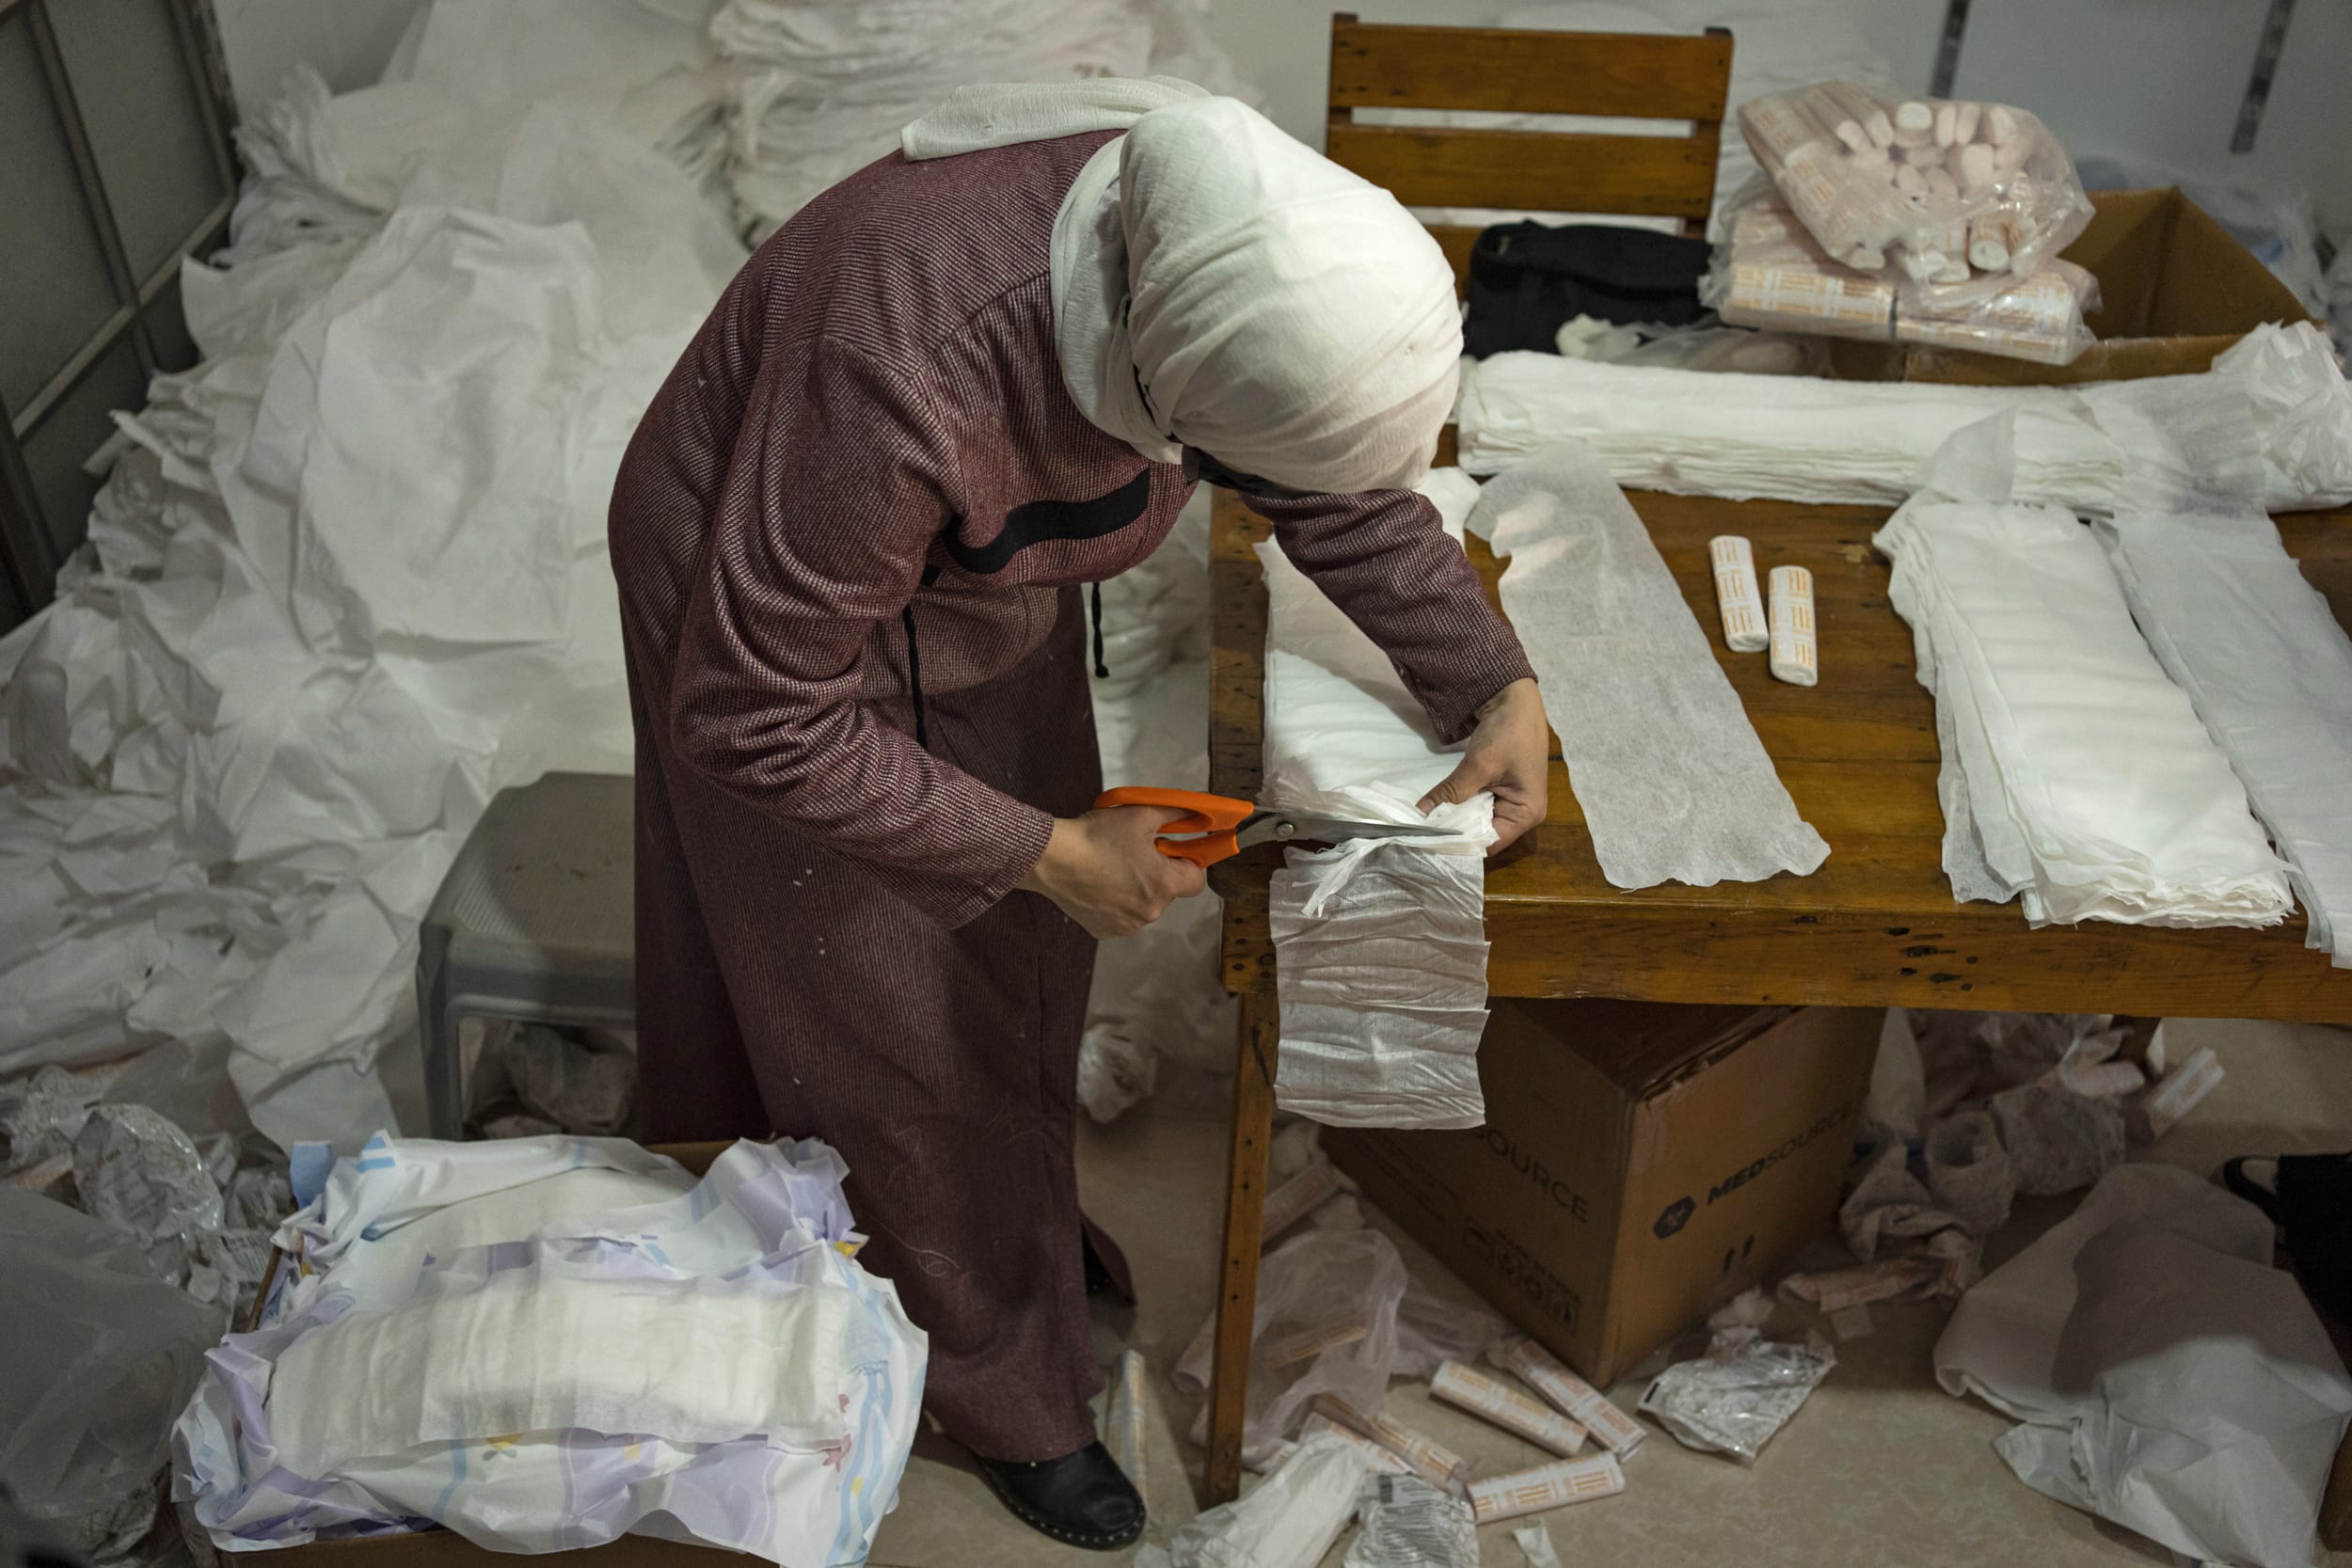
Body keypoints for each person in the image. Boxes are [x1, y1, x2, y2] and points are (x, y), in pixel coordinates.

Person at [606, 77, 1546, 1549]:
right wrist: (1042, 847)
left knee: (1032, 960)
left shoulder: (1240, 245)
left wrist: (1491, 683)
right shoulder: (899, 360)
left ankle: (1011, 1248)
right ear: (1154, 376)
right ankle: (1001, 1392)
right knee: (889, 1010)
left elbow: (1334, 481)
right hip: (776, 624)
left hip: (962, 584)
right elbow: (752, 711)